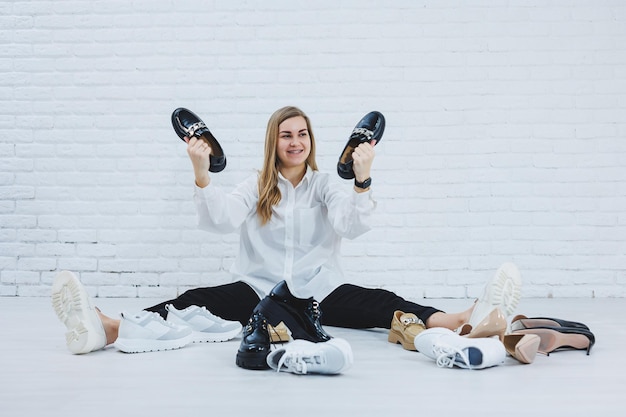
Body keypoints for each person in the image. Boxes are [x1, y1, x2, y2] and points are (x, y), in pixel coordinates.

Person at [52, 106, 521, 366]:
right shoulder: (255, 183)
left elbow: (352, 226)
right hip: (260, 290)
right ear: (273, 142)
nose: (295, 142)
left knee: (383, 303)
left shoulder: (324, 186)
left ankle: (471, 318)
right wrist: (200, 173)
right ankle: (105, 328)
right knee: (194, 301)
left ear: (312, 141)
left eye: (303, 134)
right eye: (285, 136)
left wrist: (362, 178)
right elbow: (218, 220)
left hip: (321, 290)